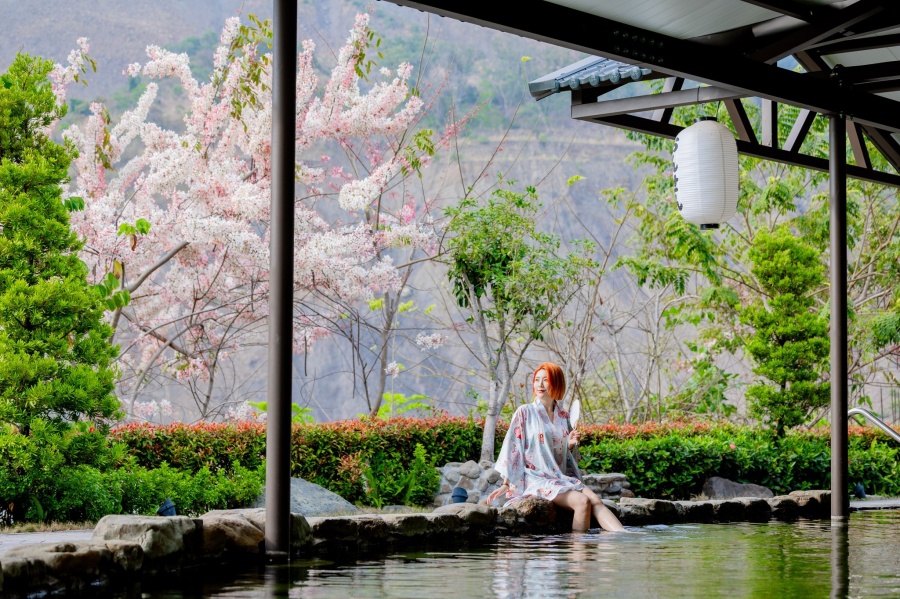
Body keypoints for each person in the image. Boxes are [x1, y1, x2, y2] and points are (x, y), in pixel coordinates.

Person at [486, 362, 626, 532]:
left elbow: (561, 455)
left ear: (556, 383)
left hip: (559, 476)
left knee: (596, 500)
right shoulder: (525, 412)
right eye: (537, 380)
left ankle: (625, 537)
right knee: (582, 502)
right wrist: (506, 484)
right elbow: (512, 446)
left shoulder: (564, 416)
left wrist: (570, 444)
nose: (540, 384)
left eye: (546, 380)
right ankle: (578, 553)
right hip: (536, 478)